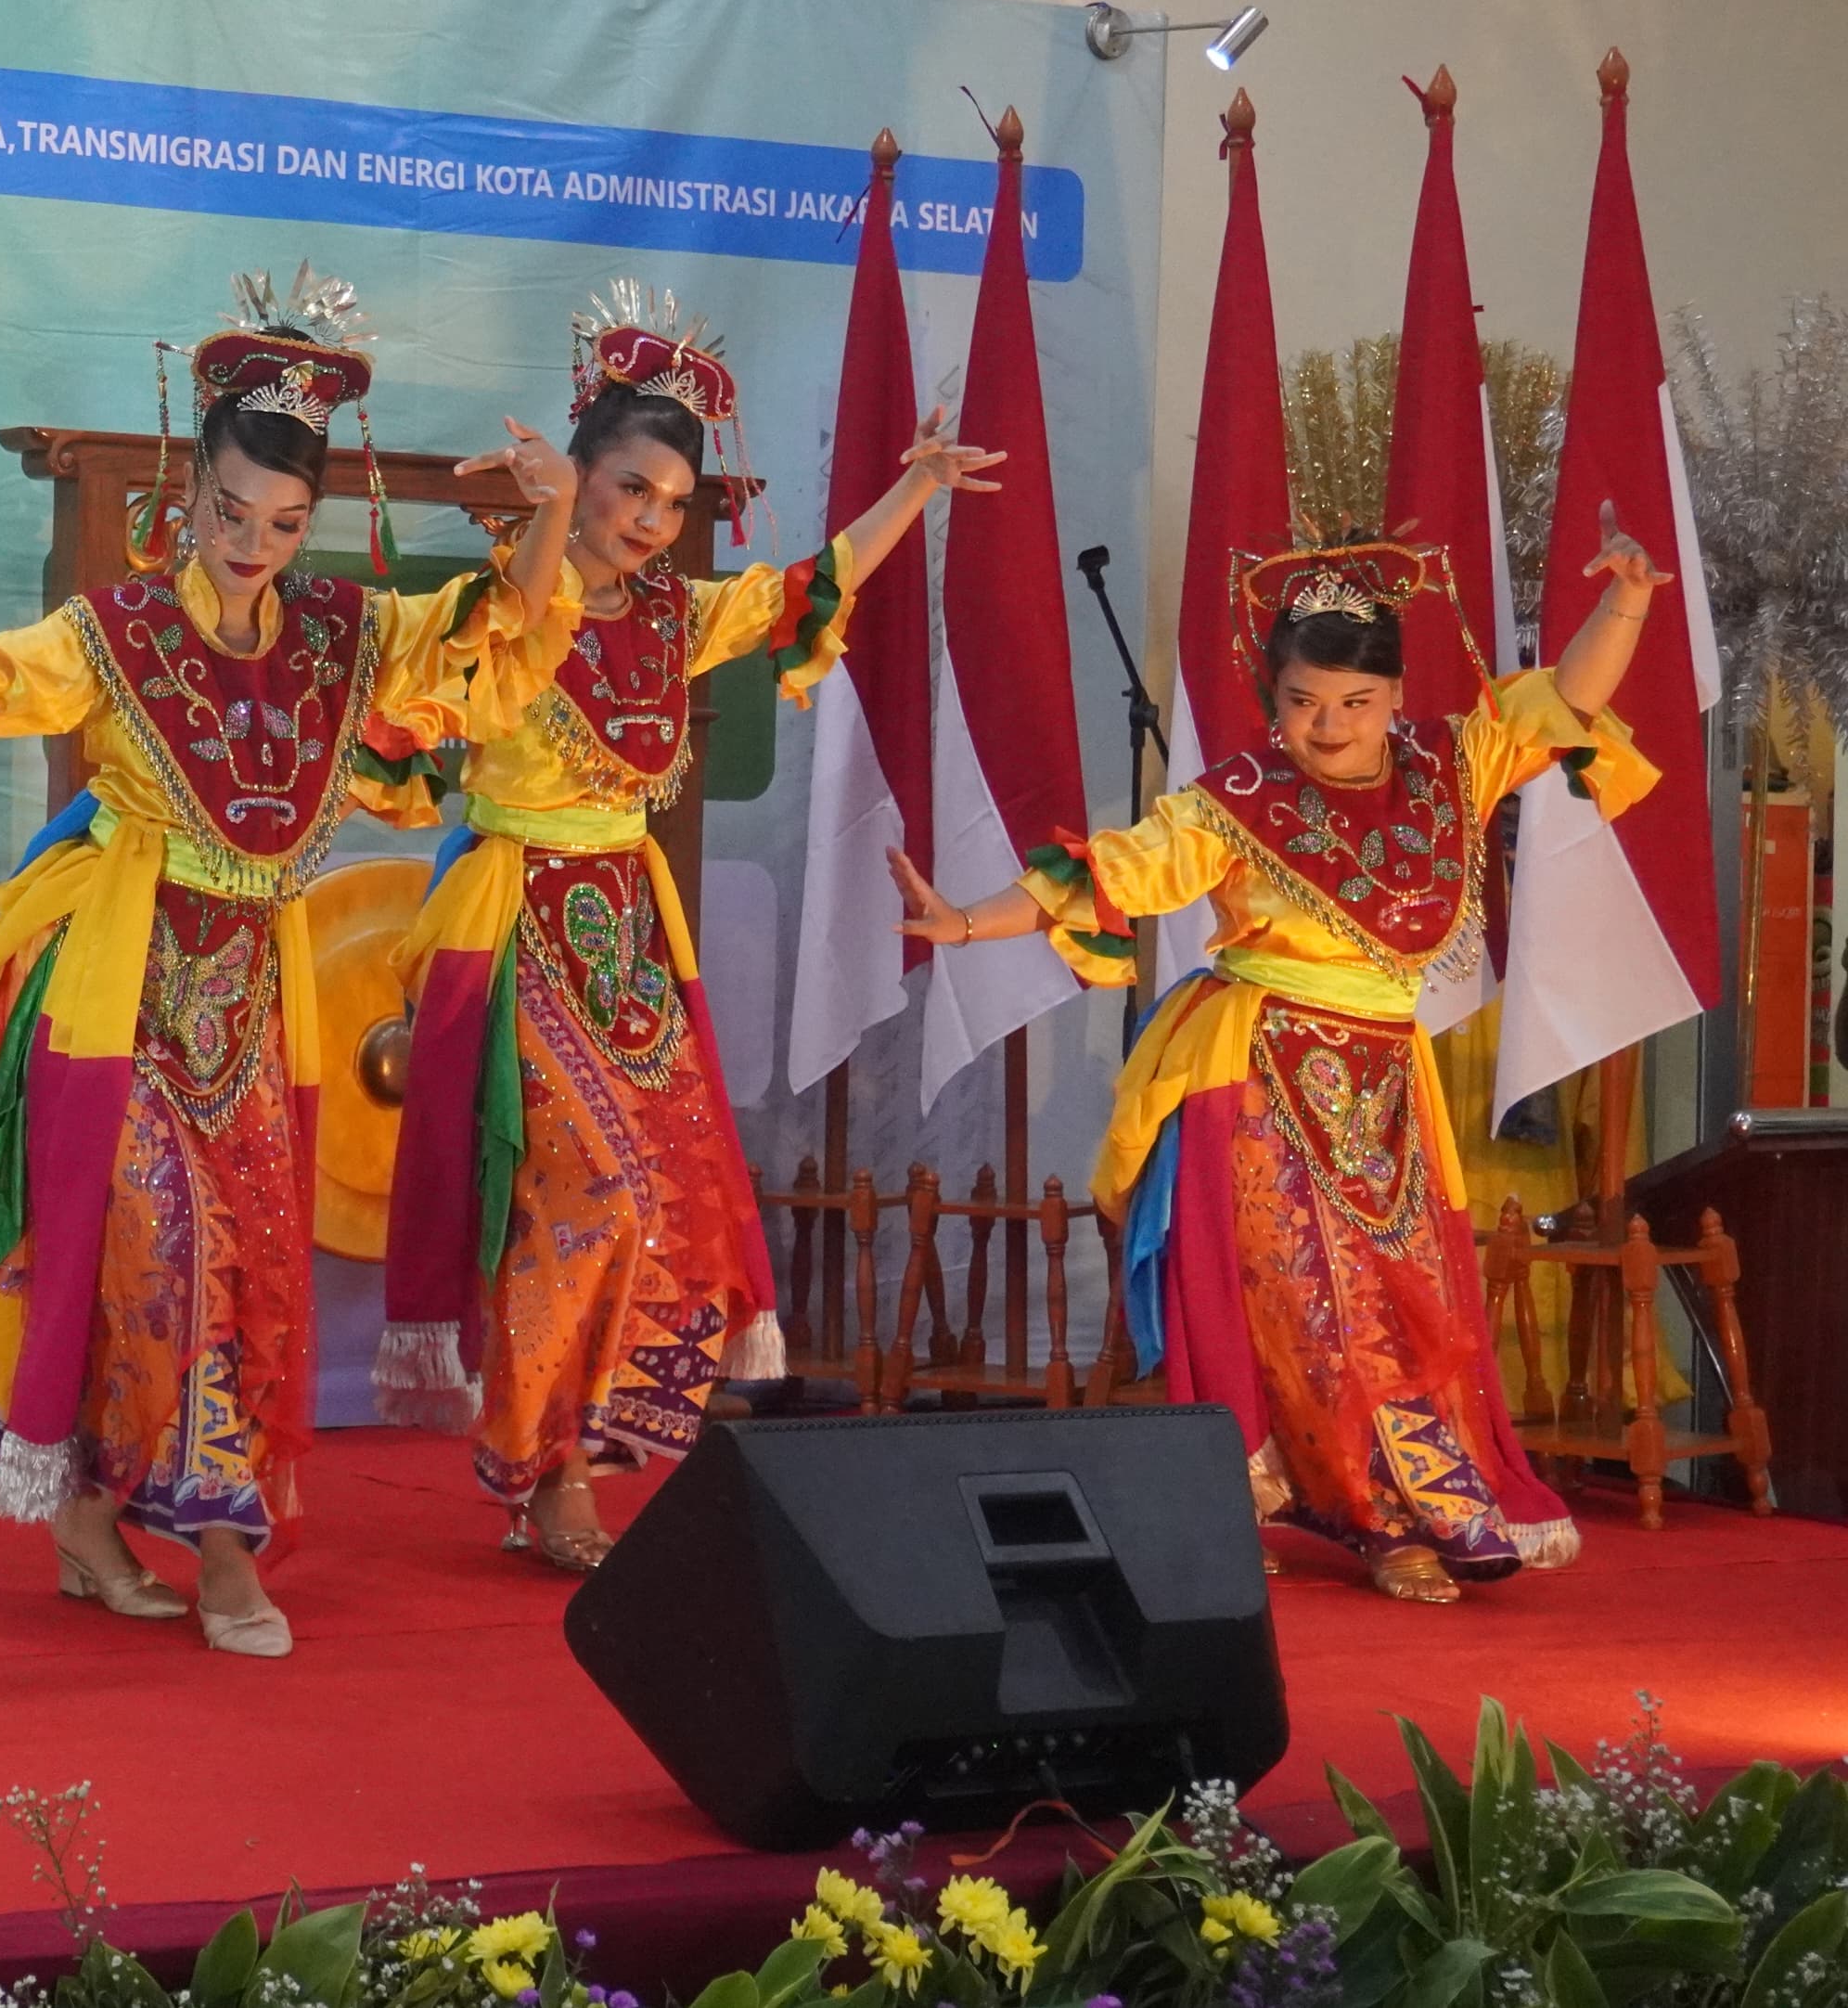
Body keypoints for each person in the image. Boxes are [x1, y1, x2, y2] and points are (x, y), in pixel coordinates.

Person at [0, 265, 565, 1656]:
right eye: (229, 513)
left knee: (244, 1269)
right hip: (124, 991)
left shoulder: (346, 641)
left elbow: (496, 637)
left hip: (263, 1006)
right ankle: (222, 1547)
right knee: (163, 1255)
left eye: (283, 522)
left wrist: (557, 510)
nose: (253, 544)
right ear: (189, 488)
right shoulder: (121, 635)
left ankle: (93, 1527)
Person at [889, 517, 1669, 1601]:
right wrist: (967, 922)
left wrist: (1624, 601)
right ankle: (1376, 1521)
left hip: (1389, 1081)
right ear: (1272, 700)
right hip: (1259, 1076)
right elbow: (1111, 872)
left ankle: (1416, 1495)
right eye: (1301, 703)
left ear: (1395, 699)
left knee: (1410, 1299)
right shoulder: (1238, 803)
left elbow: (1566, 702)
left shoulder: (1451, 761)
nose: (1326, 727)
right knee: (1314, 1303)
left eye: (1353, 704)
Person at [373, 290, 1003, 1571]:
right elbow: (514, 643)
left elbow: (802, 590)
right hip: (516, 925)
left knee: (663, 1199)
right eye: (627, 490)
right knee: (575, 1195)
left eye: (672, 503)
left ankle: (580, 1453)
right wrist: (546, 520)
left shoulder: (673, 614)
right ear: (576, 472)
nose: (652, 522)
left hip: (631, 939)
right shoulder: (493, 607)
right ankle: (541, 1468)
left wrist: (915, 493)